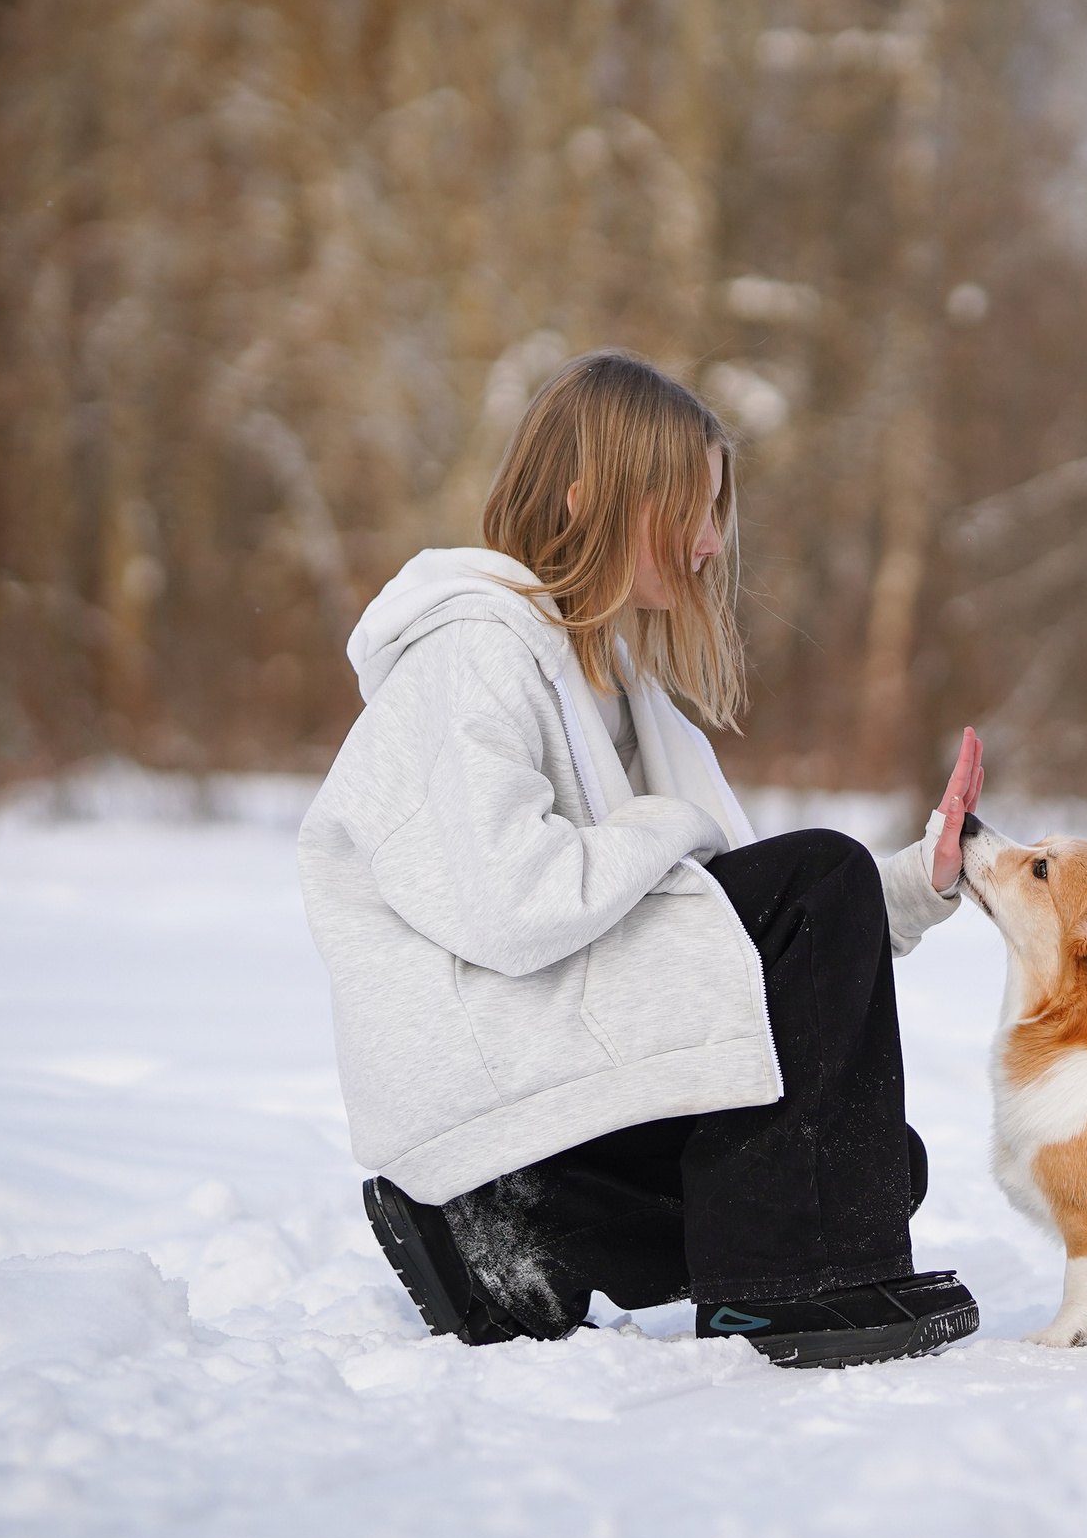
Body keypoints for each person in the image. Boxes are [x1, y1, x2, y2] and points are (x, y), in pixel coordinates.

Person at [297, 349, 986, 1369]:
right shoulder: (467, 652)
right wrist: (670, 825)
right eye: (689, 510)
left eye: (715, 513)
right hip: (484, 1094)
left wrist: (916, 885)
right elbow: (510, 903)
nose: (711, 545)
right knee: (818, 1142)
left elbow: (749, 942)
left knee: (868, 1163)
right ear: (589, 500)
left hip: (559, 1082)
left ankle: (532, 1243)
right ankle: (774, 1292)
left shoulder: (621, 689)